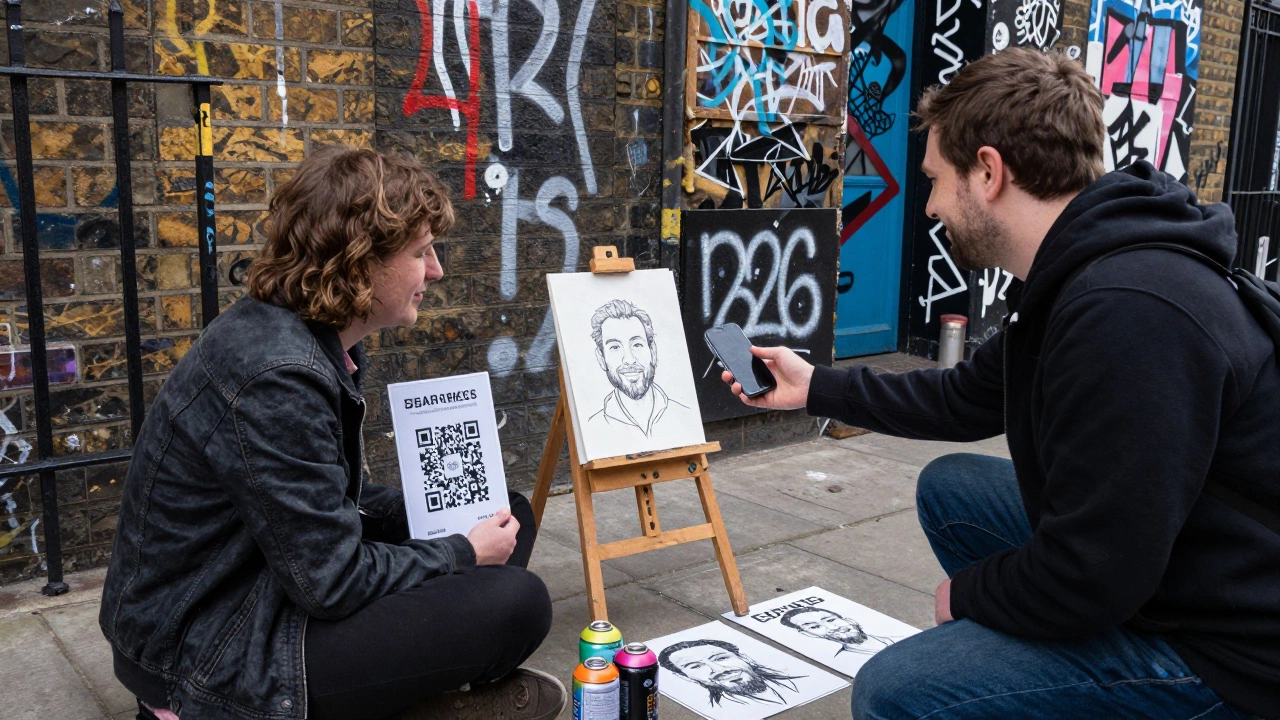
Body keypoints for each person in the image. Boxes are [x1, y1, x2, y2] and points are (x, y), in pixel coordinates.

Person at [722, 48, 1279, 719]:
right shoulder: (1083, 267)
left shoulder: (1128, 312)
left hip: (1233, 654)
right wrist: (814, 387)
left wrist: (969, 597)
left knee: (896, 690)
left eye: (934, 180)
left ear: (988, 172)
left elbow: (1094, 573)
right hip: (1170, 564)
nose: (929, 208)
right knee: (953, 489)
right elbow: (963, 398)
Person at [99, 146, 563, 720]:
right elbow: (332, 581)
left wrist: (441, 520)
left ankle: (410, 687)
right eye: (421, 253)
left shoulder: (315, 338)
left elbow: (321, 501)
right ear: (363, 260)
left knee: (505, 509)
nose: (437, 271)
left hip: (265, 581)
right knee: (516, 601)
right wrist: (460, 550)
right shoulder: (278, 376)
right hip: (205, 646)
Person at [587, 298, 694, 437]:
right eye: (615, 347)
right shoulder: (593, 429)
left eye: (637, 345)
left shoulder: (686, 415)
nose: (629, 360)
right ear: (601, 359)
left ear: (653, 352)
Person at [658, 638, 805, 708]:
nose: (718, 669)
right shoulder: (723, 707)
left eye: (721, 658)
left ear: (744, 658)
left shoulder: (796, 684)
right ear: (687, 678)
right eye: (695, 667)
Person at [778, 607, 895, 657]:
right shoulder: (844, 660)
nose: (832, 627)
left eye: (830, 619)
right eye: (814, 627)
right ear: (808, 634)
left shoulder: (902, 639)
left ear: (848, 620)